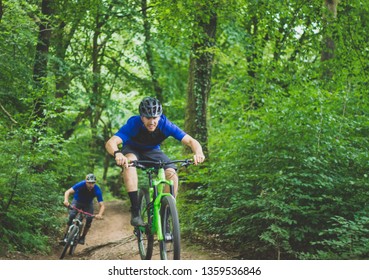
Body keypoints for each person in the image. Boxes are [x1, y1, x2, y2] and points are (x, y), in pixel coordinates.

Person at [105, 96, 205, 227]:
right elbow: (111, 142)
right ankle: (135, 211)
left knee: (172, 174)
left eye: (155, 117)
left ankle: (166, 214)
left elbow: (191, 141)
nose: (152, 122)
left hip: (152, 151)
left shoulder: (165, 124)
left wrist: (198, 152)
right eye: (148, 118)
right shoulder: (134, 124)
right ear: (142, 117)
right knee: (129, 163)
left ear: (160, 116)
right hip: (132, 149)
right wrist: (117, 153)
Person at [60, 173, 105, 245]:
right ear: (86, 182)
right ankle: (65, 236)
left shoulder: (97, 190)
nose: (91, 185)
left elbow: (102, 205)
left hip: (88, 204)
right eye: (89, 183)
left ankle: (83, 237)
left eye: (93, 183)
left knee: (89, 219)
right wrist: (66, 200)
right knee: (71, 216)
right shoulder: (81, 184)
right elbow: (68, 192)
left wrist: (100, 214)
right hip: (77, 201)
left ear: (95, 183)